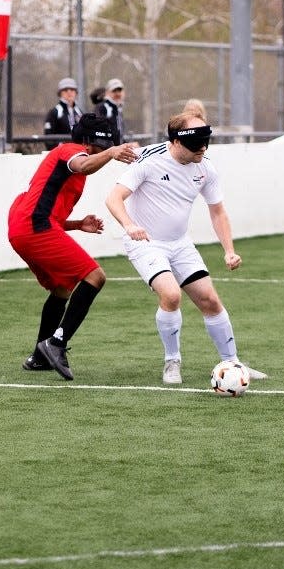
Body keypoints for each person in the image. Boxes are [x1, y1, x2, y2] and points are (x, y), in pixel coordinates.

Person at [105, 99, 267, 385]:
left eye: (206, 143)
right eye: (197, 145)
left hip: (180, 244)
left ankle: (232, 362)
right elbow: (113, 198)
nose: (203, 150)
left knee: (211, 301)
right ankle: (172, 362)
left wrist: (229, 251)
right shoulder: (149, 159)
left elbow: (217, 211)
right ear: (177, 141)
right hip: (146, 243)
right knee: (171, 295)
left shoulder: (206, 167)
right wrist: (129, 225)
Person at [8, 113, 138, 381]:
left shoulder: (72, 158)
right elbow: (83, 165)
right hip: (33, 227)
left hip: (25, 227)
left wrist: (77, 224)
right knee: (96, 276)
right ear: (90, 143)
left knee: (63, 288)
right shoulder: (71, 150)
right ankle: (56, 344)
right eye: (104, 146)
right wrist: (112, 152)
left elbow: (43, 209)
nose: (106, 152)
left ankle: (40, 357)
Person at [44, 77, 83, 150]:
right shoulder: (54, 112)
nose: (69, 92)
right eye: (65, 90)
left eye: (72, 89)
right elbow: (48, 137)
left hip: (78, 151)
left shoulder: (79, 112)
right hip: (60, 152)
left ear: (76, 92)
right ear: (60, 93)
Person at [95, 78, 128, 146]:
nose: (117, 93)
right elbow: (99, 132)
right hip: (107, 150)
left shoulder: (118, 108)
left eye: (119, 90)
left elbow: (119, 133)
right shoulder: (102, 107)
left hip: (117, 150)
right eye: (114, 91)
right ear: (107, 92)